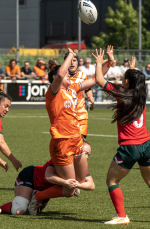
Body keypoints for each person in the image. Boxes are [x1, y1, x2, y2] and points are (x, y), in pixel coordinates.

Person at [93, 48, 150, 224]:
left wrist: (100, 62)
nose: (122, 80)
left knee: (111, 180)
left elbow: (99, 80)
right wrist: (133, 69)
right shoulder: (141, 94)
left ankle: (122, 216)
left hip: (130, 147)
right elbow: (137, 80)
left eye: (124, 78)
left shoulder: (122, 95)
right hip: (146, 144)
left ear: (127, 82)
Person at [28, 48, 98, 211]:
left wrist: (104, 62)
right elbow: (59, 75)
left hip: (76, 139)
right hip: (62, 142)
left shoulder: (72, 89)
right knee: (69, 190)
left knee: (84, 183)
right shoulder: (53, 93)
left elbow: (95, 79)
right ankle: (38, 196)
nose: (67, 75)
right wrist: (72, 55)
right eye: (65, 74)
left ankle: (64, 182)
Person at [0, 151, 94, 215]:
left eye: (88, 154)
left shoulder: (81, 166)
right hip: (31, 177)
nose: (86, 156)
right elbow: (48, 176)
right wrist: (66, 182)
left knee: (36, 212)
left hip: (44, 188)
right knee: (18, 210)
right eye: (84, 152)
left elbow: (91, 185)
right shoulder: (62, 160)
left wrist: (77, 185)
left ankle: (38, 196)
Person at [65, 51, 95, 138]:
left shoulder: (83, 76)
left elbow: (88, 88)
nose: (72, 62)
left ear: (78, 62)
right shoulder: (61, 77)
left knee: (82, 144)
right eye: (69, 60)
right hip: (66, 116)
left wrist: (90, 96)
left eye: (74, 60)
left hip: (81, 115)